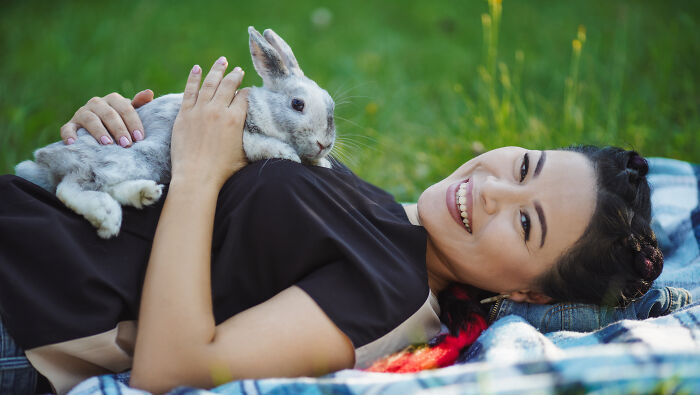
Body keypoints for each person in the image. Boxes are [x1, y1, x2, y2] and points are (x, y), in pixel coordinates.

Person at [0, 57, 663, 395]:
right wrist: (123, 137)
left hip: (25, 308)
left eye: (524, 221)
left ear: (530, 295)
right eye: (522, 163)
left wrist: (199, 170)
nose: (489, 188)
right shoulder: (391, 214)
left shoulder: (393, 300)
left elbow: (173, 369)